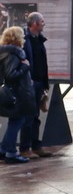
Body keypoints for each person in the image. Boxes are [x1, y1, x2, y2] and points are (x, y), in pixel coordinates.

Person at [0, 26, 37, 164]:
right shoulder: (13, 53)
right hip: (17, 94)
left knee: (16, 121)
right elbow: (11, 74)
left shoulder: (6, 52)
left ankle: (4, 149)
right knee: (17, 121)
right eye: (22, 36)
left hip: (13, 93)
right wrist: (25, 66)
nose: (24, 39)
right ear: (16, 38)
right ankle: (10, 152)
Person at [20, 12, 53, 158]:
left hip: (39, 83)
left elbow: (42, 62)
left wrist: (45, 84)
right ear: (35, 23)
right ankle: (24, 148)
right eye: (42, 21)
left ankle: (36, 146)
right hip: (29, 84)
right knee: (28, 117)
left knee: (36, 117)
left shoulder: (39, 39)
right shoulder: (24, 39)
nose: (44, 24)